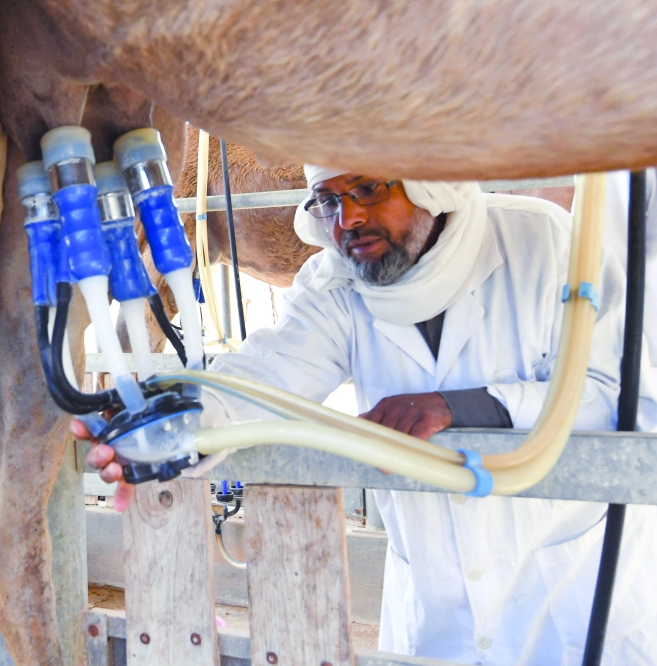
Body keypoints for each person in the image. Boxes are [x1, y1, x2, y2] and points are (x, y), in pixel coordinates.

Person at [78, 169, 657, 664]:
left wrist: (464, 407)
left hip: (575, 607)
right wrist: (169, 421)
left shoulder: (543, 244)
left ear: (428, 182)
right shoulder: (337, 284)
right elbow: (265, 379)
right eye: (329, 200)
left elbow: (622, 396)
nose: (346, 219)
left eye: (367, 189)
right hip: (436, 622)